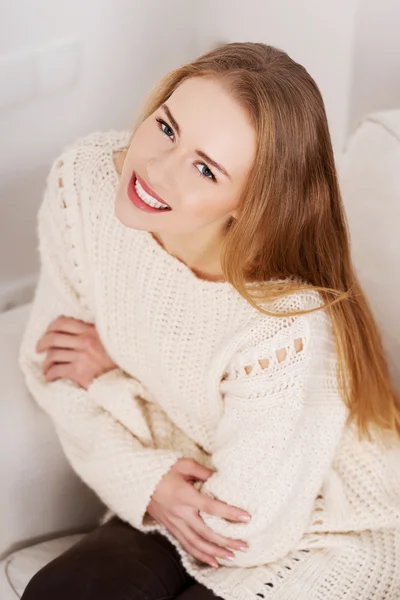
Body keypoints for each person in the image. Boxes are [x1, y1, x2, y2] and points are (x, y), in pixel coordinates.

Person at [19, 42, 400, 600]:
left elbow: (240, 526)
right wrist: (145, 482)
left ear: (250, 202)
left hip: (314, 522)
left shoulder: (283, 325)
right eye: (167, 128)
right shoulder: (86, 183)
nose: (154, 168)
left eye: (204, 168)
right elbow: (51, 362)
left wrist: (111, 379)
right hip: (184, 490)